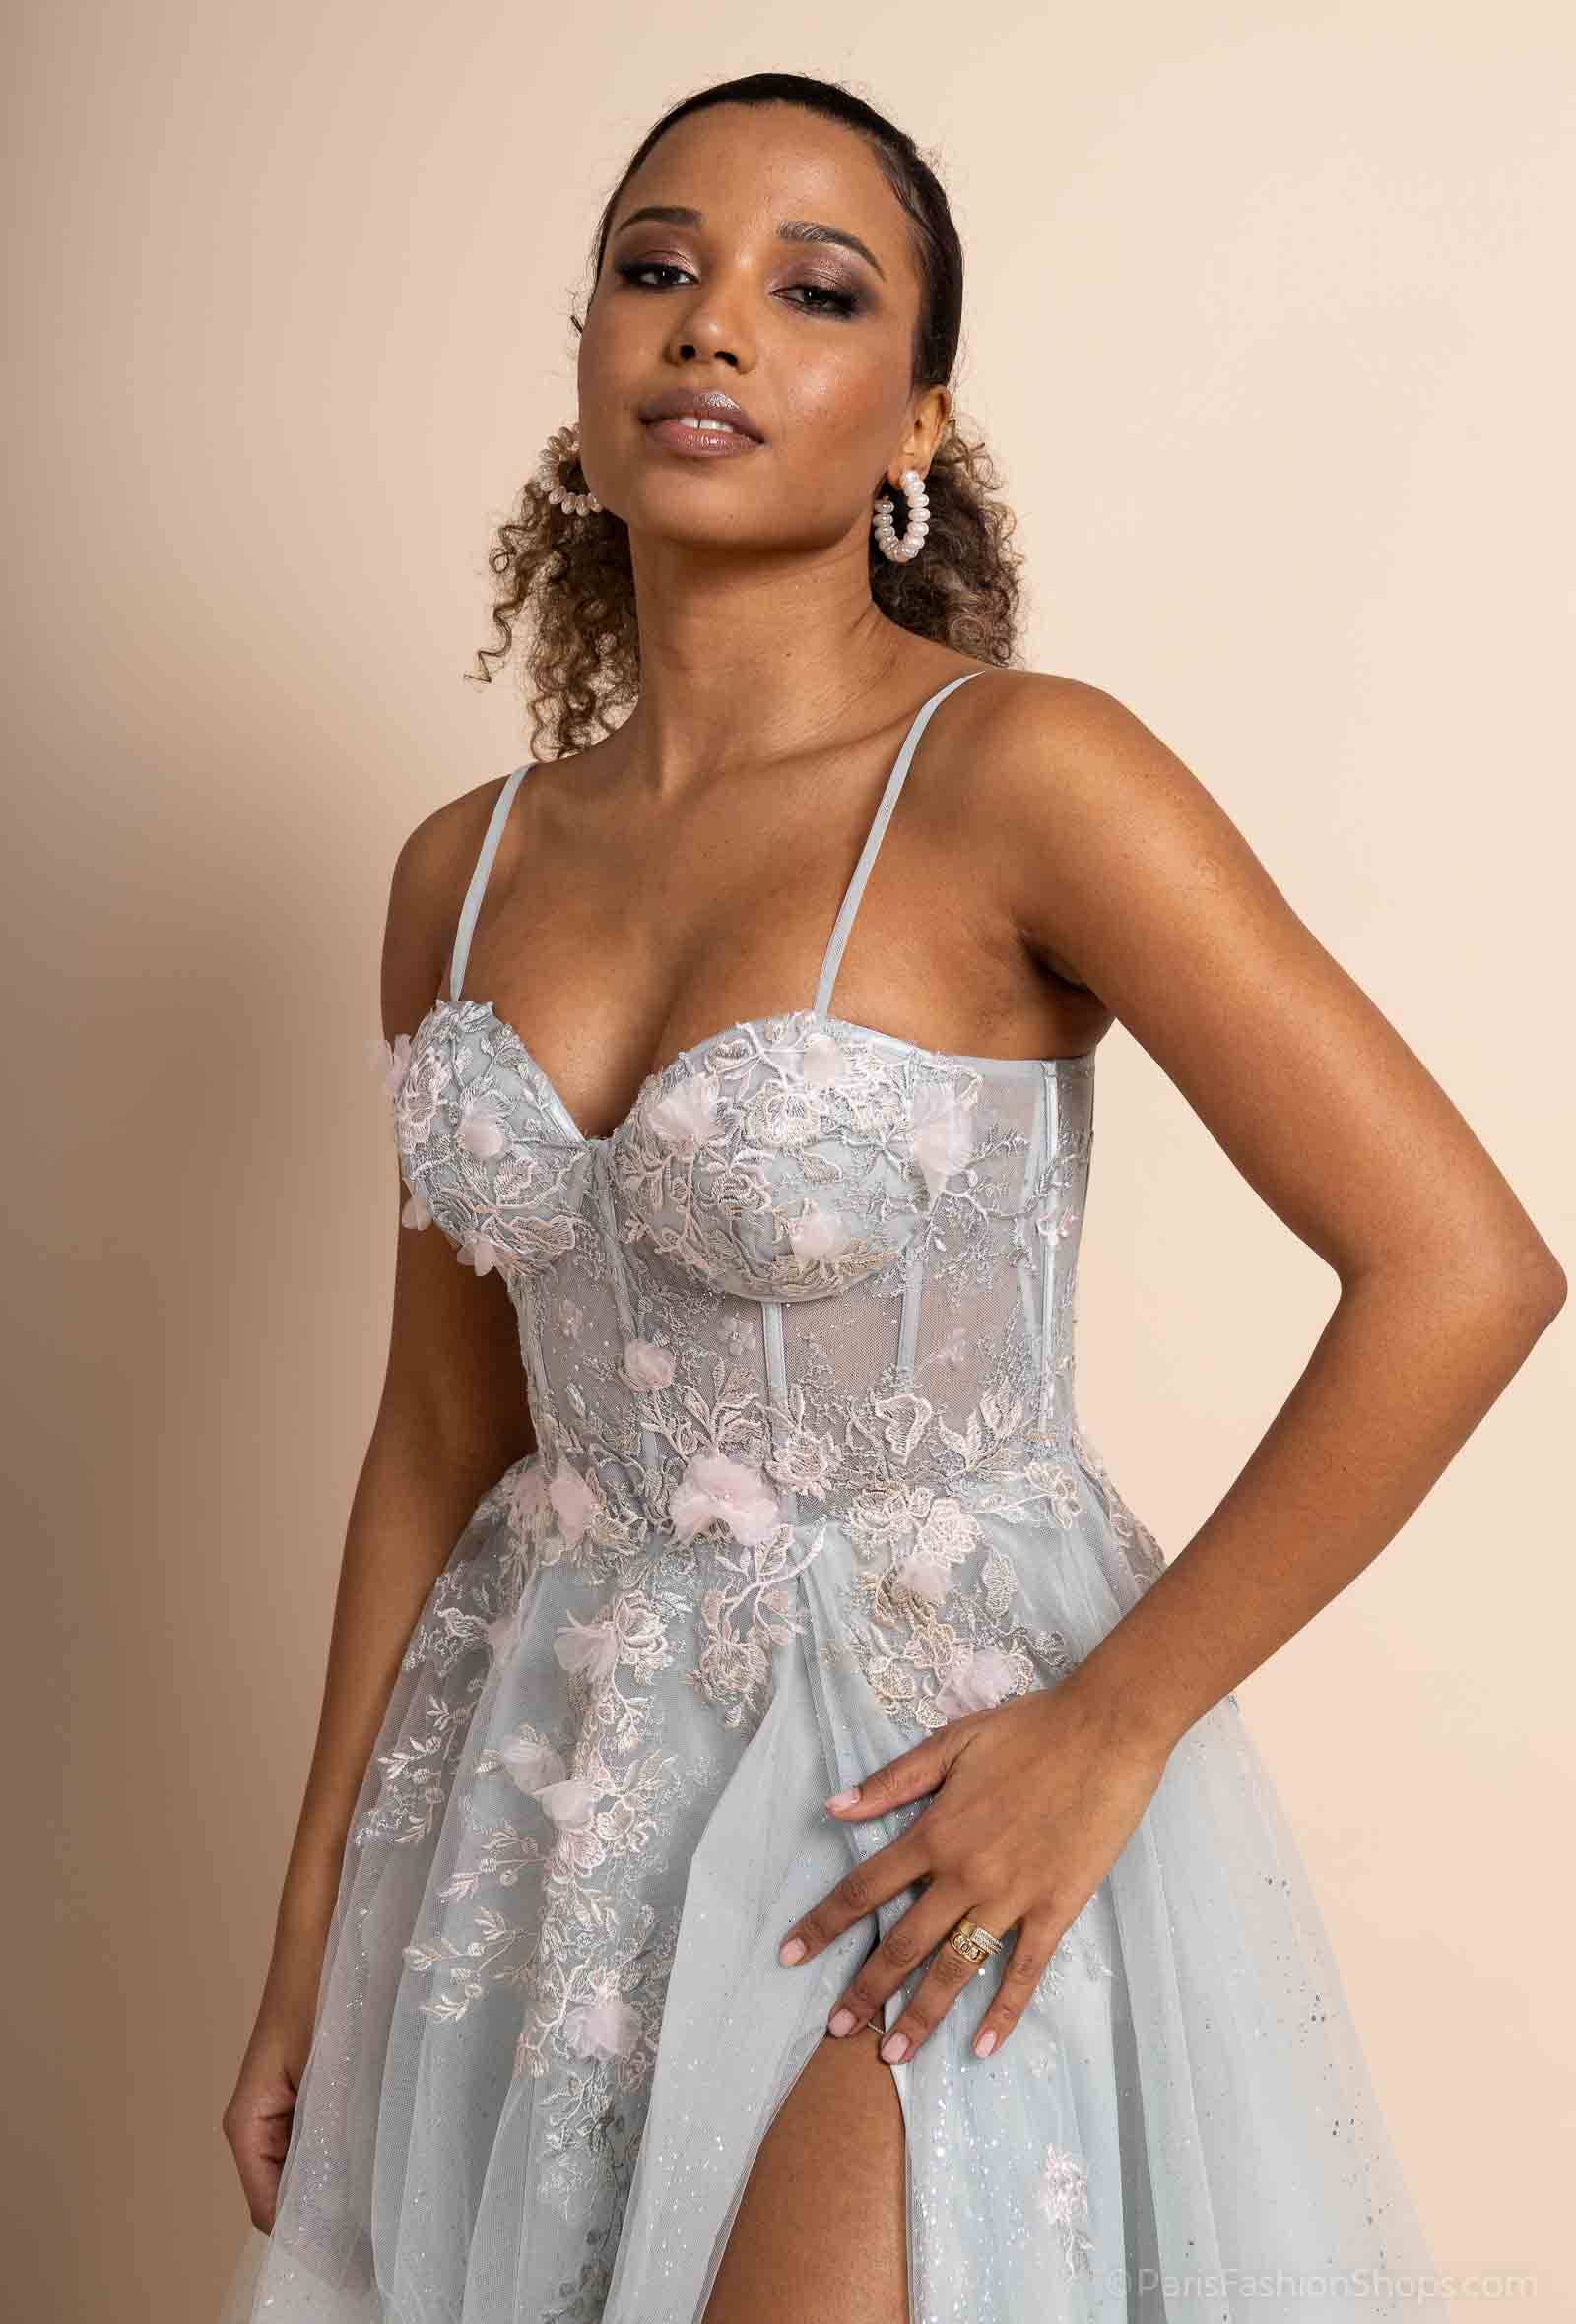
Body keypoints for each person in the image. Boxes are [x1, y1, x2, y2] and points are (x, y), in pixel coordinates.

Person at [218, 68, 1563, 2324]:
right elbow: (442, 1436)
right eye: (655, 268)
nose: (712, 323)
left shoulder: (1025, 778)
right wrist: (306, 1943)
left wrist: (1107, 1728)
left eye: (812, 290)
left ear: (917, 421)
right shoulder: (459, 871)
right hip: (543, 1796)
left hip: (917, 1775)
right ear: (587, 357)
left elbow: (1461, 1267)